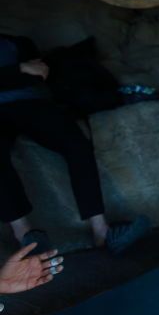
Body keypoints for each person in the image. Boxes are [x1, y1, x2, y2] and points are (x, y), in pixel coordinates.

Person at [0, 34, 150, 255]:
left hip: (30, 104)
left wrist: (16, 74)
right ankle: (26, 237)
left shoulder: (16, 42)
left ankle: (102, 230)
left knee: (76, 144)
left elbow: (40, 73)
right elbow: (28, 72)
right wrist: (20, 70)